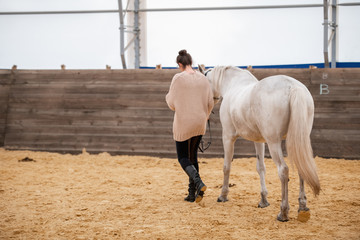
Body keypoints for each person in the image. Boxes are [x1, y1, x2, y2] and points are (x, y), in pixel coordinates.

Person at [166, 49, 214, 203]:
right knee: (193, 156)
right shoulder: (203, 78)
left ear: (180, 64)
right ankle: (193, 194)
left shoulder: (178, 78)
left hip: (184, 122)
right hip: (200, 122)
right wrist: (205, 116)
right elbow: (210, 102)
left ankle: (199, 183)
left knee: (183, 157)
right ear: (191, 62)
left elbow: (171, 103)